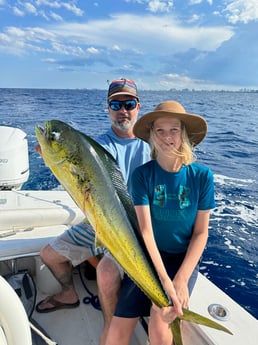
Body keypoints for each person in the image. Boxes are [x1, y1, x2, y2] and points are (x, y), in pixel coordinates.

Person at [35, 79, 150, 337]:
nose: (123, 110)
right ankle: (68, 292)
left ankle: (110, 328)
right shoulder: (97, 147)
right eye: (116, 104)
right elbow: (80, 187)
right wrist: (55, 163)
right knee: (49, 254)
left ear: (138, 107)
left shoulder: (151, 146)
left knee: (107, 276)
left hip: (133, 226)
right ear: (107, 109)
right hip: (98, 220)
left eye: (128, 104)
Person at [105, 100, 216, 345]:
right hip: (147, 259)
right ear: (152, 136)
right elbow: (145, 231)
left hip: (182, 260)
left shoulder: (202, 177)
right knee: (115, 334)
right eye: (160, 131)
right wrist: (164, 281)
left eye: (174, 130)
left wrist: (180, 280)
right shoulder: (142, 175)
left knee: (159, 326)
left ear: (184, 134)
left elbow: (200, 234)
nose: (167, 137)